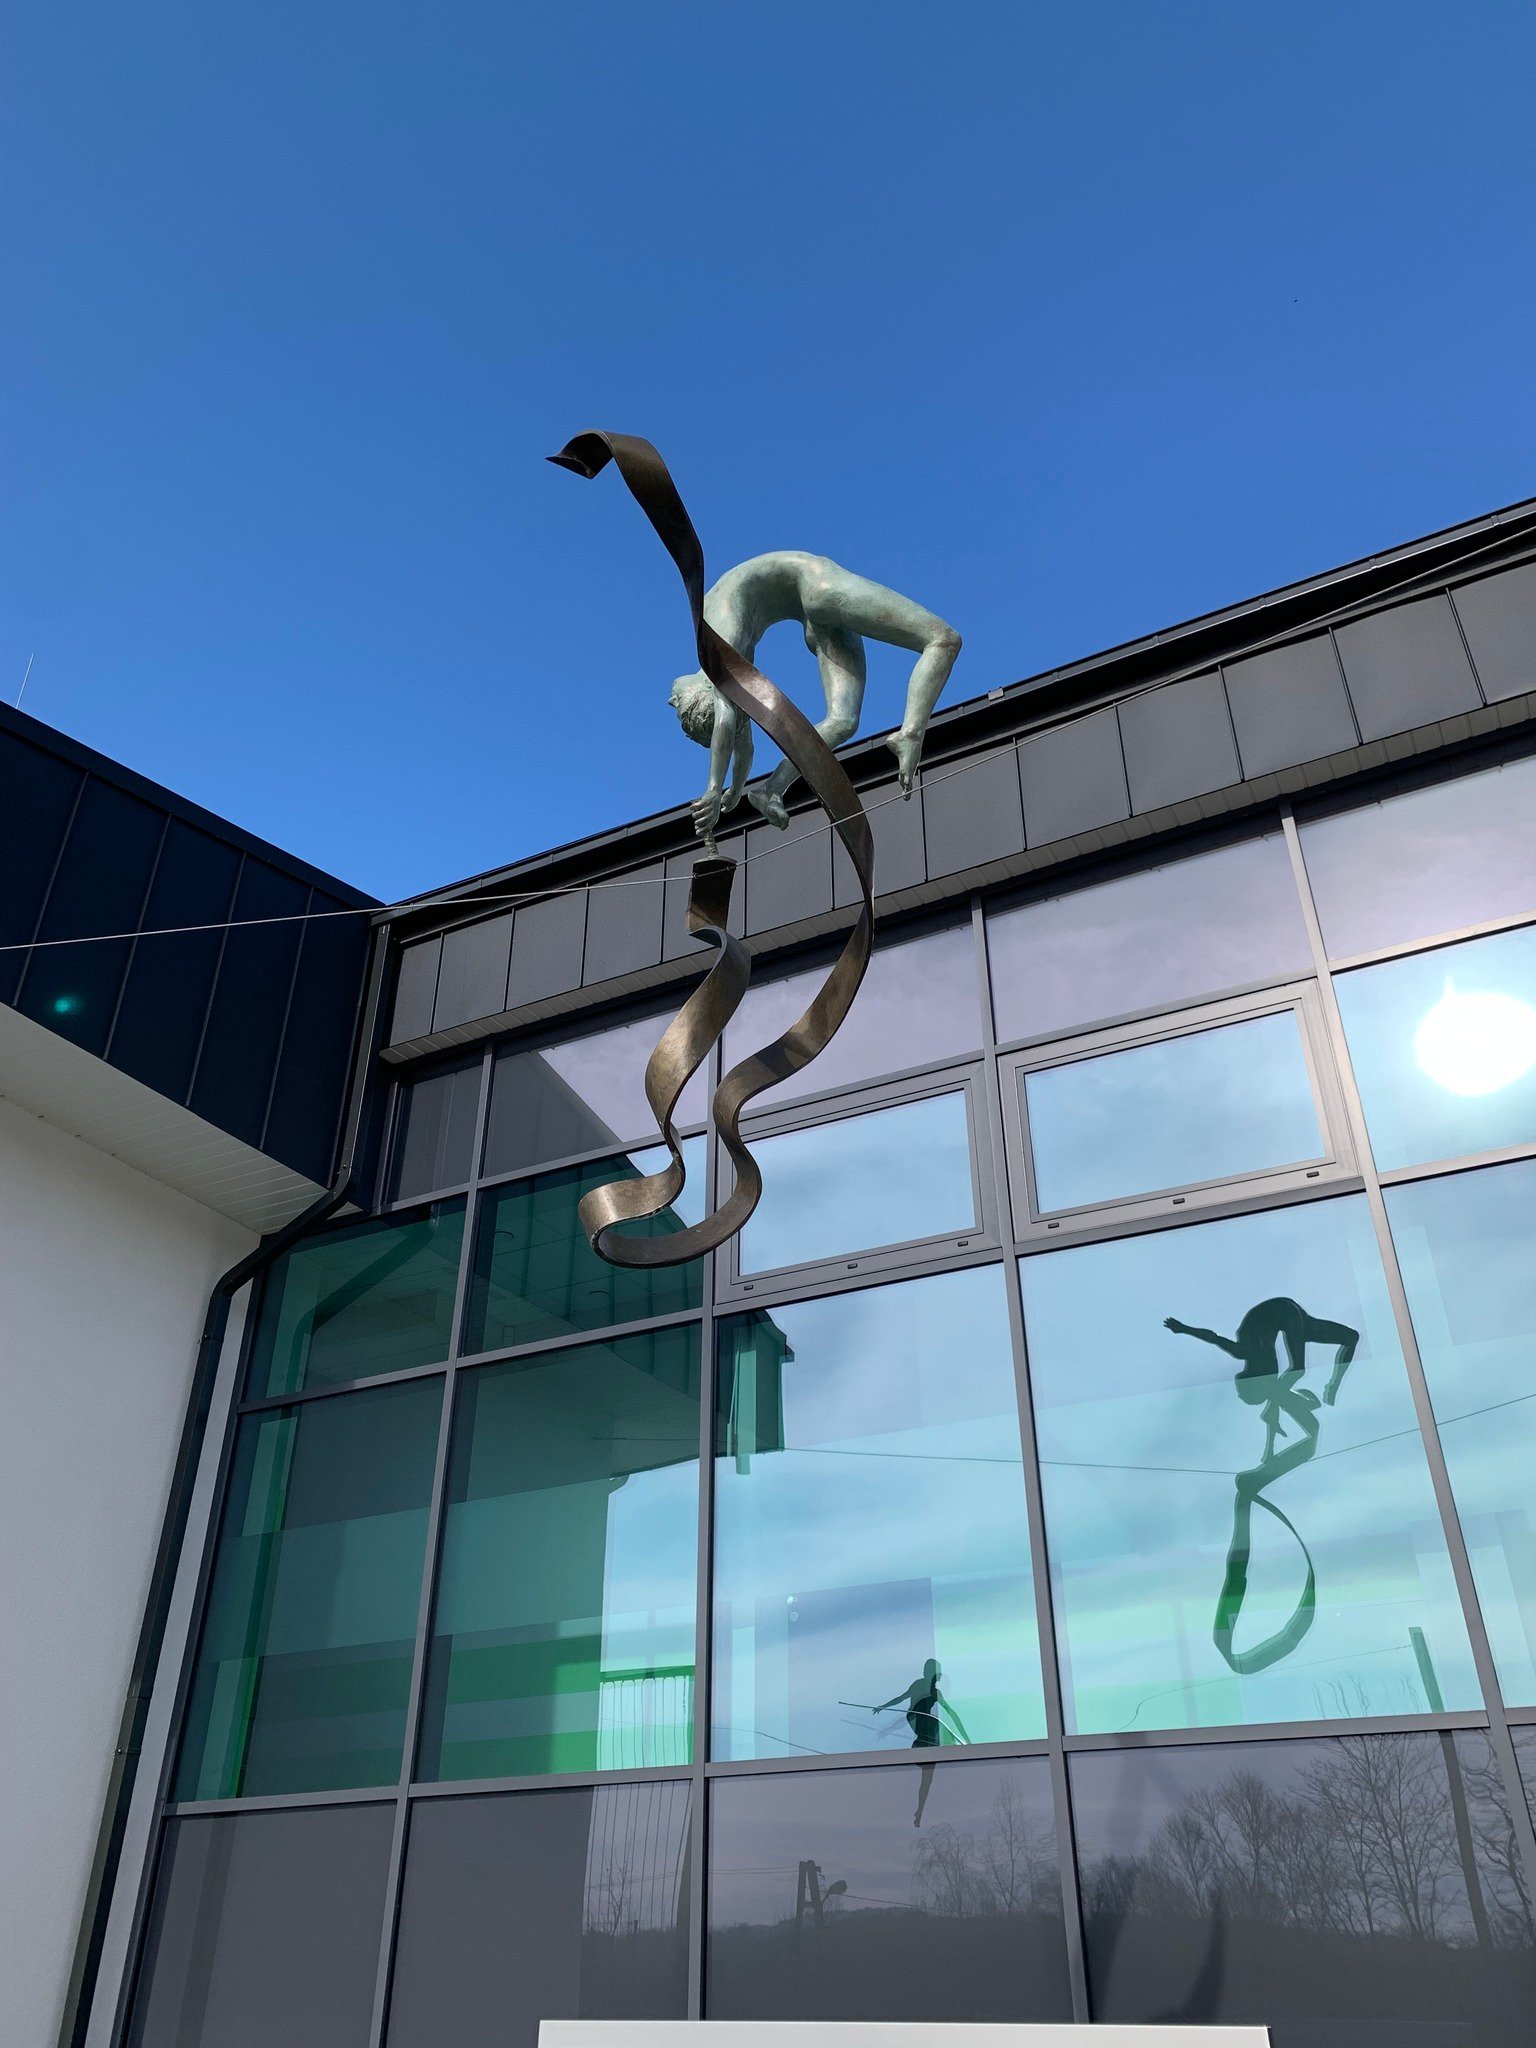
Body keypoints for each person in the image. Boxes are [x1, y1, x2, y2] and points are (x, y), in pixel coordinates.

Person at [669, 551, 961, 838]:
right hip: (817, 608)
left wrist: (713, 789)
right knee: (843, 721)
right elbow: (743, 747)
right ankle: (772, 788)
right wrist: (733, 792)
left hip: (819, 587)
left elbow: (725, 720)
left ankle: (910, 734)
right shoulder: (727, 663)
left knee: (943, 639)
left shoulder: (719, 644)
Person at [1164, 1297, 1358, 1474]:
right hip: (1293, 1315)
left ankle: (1333, 1386)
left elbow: (1213, 1338)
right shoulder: (1268, 1373)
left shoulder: (1244, 1351)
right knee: (1351, 1337)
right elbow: (1273, 1402)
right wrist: (1269, 1450)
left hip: (1285, 1312)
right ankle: (1332, 1386)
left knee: (1298, 1369)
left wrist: (1184, 1328)